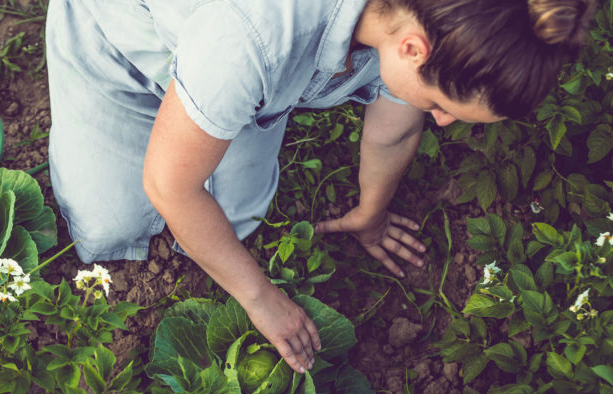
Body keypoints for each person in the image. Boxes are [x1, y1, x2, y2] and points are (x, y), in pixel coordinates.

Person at [45, 0, 596, 373]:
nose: (442, 124)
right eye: (440, 107)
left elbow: (393, 126)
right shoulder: (253, 36)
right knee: (108, 230)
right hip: (124, 48)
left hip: (241, 85)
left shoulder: (429, 20)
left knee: (235, 226)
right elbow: (170, 187)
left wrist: (371, 212)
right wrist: (262, 300)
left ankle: (217, 121)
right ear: (412, 49)